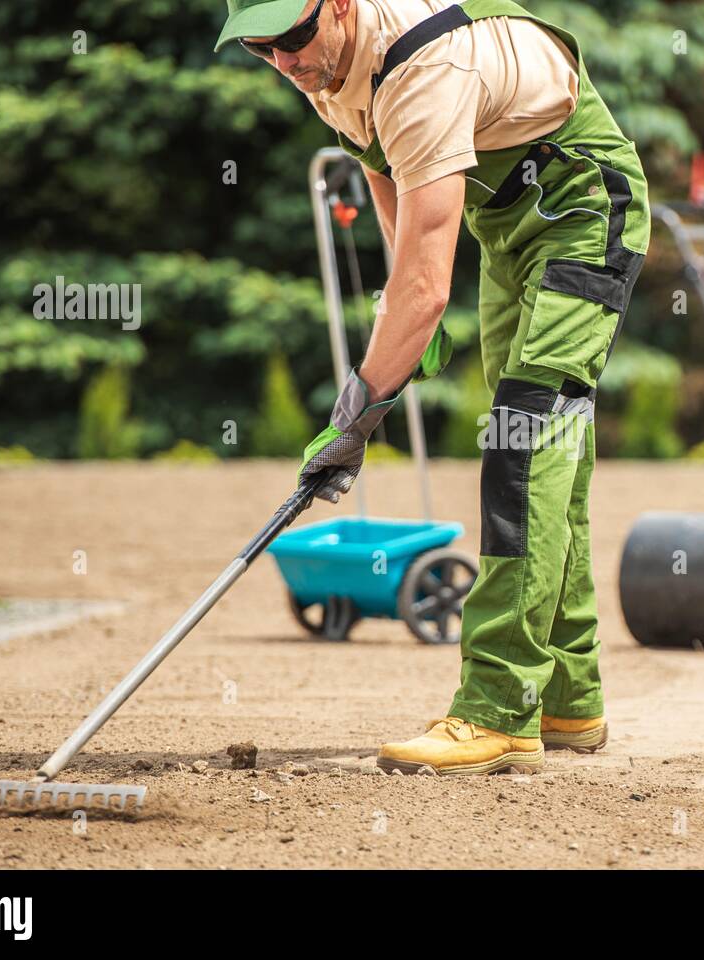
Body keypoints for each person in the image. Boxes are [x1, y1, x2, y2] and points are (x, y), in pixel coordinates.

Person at [215, 0, 649, 775]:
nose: (282, 62)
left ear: (339, 5)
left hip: (585, 212)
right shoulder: (329, 63)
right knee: (551, 458)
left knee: (522, 446)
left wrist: (356, 416)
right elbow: (389, 170)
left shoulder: (423, 63)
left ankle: (497, 711)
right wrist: (399, 300)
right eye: (259, 49)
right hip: (509, 234)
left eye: (290, 39)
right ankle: (568, 699)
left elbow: (428, 283)